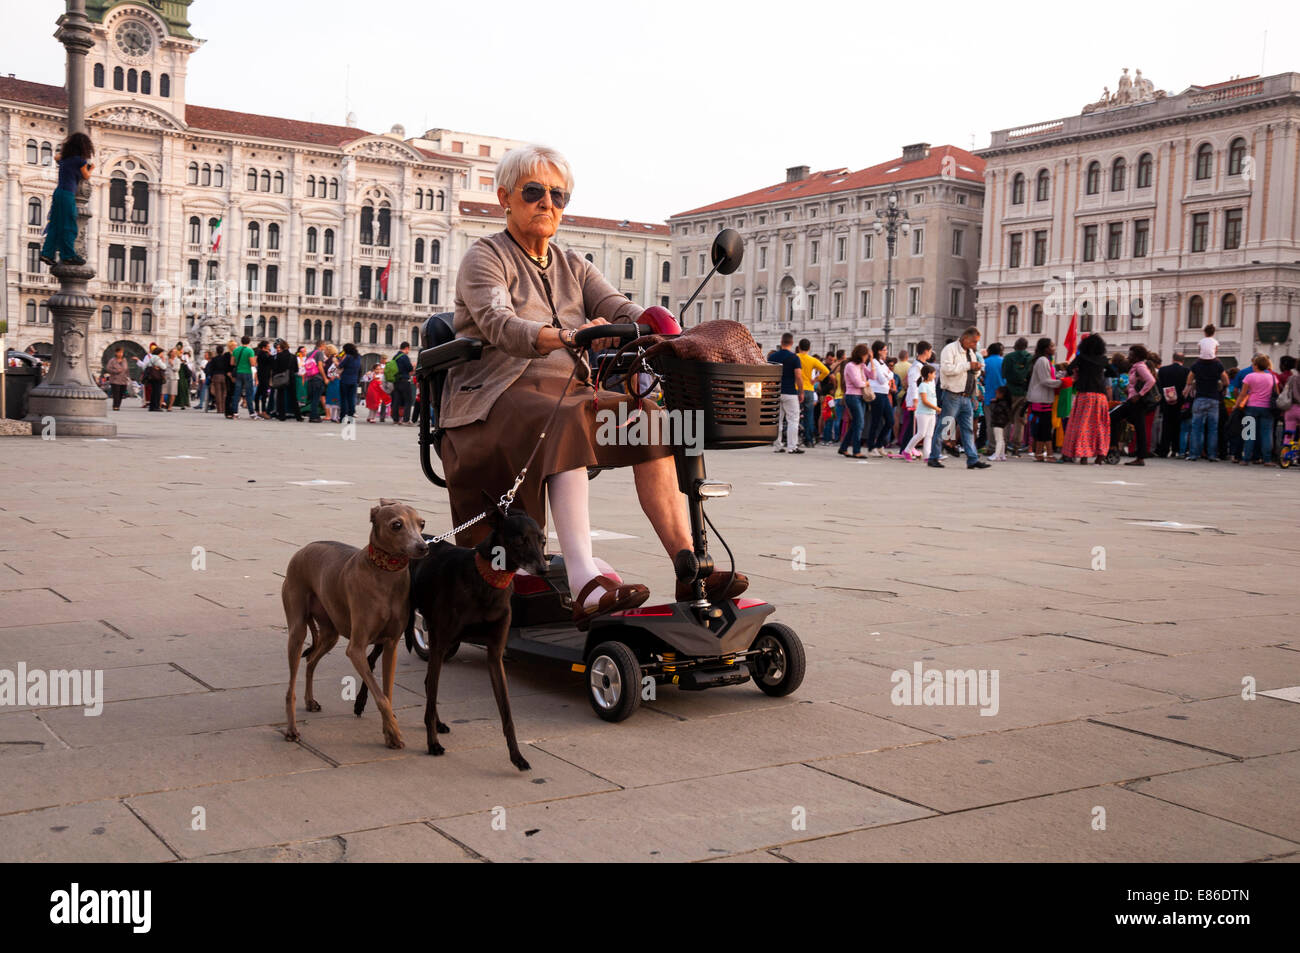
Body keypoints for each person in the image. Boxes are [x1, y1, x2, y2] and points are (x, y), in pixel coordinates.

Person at [439, 144, 745, 624]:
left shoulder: (572, 263)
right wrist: (562, 336)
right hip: (493, 396)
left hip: (568, 392)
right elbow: (499, 323)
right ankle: (584, 579)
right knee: (567, 417)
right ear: (505, 197)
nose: (548, 204)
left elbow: (618, 305)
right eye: (535, 192)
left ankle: (689, 566)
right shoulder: (485, 258)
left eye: (558, 196)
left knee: (651, 420)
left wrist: (661, 327)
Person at [929, 327, 990, 469]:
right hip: (952, 394)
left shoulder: (971, 353)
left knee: (968, 429)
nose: (976, 345)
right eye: (974, 342)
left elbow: (973, 376)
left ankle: (972, 459)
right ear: (965, 339)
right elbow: (947, 369)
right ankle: (934, 457)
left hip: (967, 396)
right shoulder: (949, 350)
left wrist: (976, 370)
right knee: (945, 426)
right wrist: (968, 365)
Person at [39, 132, 93, 268]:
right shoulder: (80, 161)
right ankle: (68, 255)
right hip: (68, 194)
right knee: (69, 225)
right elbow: (86, 176)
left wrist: (64, 155)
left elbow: (56, 156)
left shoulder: (64, 158)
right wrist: (91, 169)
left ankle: (47, 253)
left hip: (58, 193)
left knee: (55, 225)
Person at [1061, 333, 1110, 464]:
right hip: (1100, 396)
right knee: (1100, 425)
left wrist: (1079, 372)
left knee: (1082, 425)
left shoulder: (1081, 357)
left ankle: (1083, 455)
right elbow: (1114, 373)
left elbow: (1070, 369)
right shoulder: (1103, 359)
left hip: (1085, 395)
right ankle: (1100, 454)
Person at [1113, 344, 1156, 466]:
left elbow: (1151, 380)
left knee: (1113, 417)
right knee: (1139, 428)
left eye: (1131, 354)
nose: (1128, 356)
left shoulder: (1140, 367)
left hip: (1136, 402)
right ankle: (1139, 456)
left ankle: (1115, 447)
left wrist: (1140, 394)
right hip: (1133, 400)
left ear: (1137, 357)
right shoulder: (1136, 367)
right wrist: (1129, 389)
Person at [1236, 354, 1280, 465]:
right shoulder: (1272, 377)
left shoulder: (1249, 377)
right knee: (1266, 433)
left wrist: (1237, 405)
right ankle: (1267, 459)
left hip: (1251, 407)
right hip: (1267, 408)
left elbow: (1243, 393)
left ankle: (1246, 458)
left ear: (1256, 365)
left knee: (1249, 433)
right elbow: (1277, 393)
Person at [1187, 348, 1229, 461]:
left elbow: (1189, 381)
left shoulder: (1196, 364)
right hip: (1214, 399)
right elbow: (1226, 381)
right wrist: (1220, 386)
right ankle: (1212, 455)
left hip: (1200, 398)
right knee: (1213, 429)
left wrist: (1196, 384)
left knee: (1196, 428)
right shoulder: (1218, 364)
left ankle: (1194, 454)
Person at [769, 332, 803, 454]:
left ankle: (777, 446)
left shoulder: (772, 357)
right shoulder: (794, 358)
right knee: (793, 419)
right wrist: (801, 391)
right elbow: (798, 376)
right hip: (790, 392)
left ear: (781, 341)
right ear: (792, 343)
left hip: (775, 391)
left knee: (777, 420)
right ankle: (792, 446)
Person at [1154, 351, 1190, 458]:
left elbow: (1159, 385)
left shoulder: (1163, 370)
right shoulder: (1186, 371)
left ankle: (1164, 450)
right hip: (1180, 402)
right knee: (1178, 426)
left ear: (1173, 358)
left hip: (1166, 401)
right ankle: (1176, 449)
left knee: (1166, 425)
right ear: (1183, 361)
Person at [837, 344, 870, 458]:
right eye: (866, 355)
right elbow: (857, 383)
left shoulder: (861, 365)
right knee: (859, 423)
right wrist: (866, 383)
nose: (867, 357)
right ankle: (856, 450)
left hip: (861, 397)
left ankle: (844, 447)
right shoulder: (850, 366)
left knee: (856, 423)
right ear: (860, 355)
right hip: (852, 396)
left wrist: (873, 363)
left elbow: (873, 375)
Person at [903, 364, 941, 460]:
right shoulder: (923, 385)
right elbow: (924, 401)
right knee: (921, 433)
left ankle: (927, 455)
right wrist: (936, 408)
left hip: (931, 413)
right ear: (929, 374)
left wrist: (935, 409)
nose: (935, 376)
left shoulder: (931, 385)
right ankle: (907, 450)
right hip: (923, 413)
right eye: (934, 374)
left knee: (929, 435)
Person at [796, 339, 829, 447]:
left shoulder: (795, 357)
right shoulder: (812, 360)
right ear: (809, 348)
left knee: (794, 415)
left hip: (796, 388)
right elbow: (826, 371)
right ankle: (809, 440)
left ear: (799, 347)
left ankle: (794, 438)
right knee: (809, 416)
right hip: (809, 389)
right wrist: (817, 379)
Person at [1002, 337, 1033, 453]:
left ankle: (1003, 445)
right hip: (1024, 392)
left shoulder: (1008, 357)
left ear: (1015, 346)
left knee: (1006, 419)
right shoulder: (1030, 358)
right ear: (1026, 346)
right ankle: (1016, 447)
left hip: (1009, 391)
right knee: (1020, 420)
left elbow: (1004, 374)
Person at [864, 340, 894, 455]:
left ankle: (880, 444)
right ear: (879, 351)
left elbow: (891, 374)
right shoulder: (874, 362)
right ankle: (871, 447)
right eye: (885, 350)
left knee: (890, 420)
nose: (886, 352)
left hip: (884, 393)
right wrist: (888, 375)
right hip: (877, 393)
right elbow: (881, 379)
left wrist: (887, 375)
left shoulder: (882, 362)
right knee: (876, 421)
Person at [981, 342, 1005, 451]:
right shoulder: (1004, 362)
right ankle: (1002, 448)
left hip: (989, 396)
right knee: (1002, 424)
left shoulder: (985, 362)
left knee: (990, 423)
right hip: (1003, 397)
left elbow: (981, 377)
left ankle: (991, 447)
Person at [272, 339, 302, 421]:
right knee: (293, 397)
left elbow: (275, 368)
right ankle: (298, 416)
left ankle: (281, 415)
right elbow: (296, 369)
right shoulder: (293, 356)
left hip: (281, 378)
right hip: (291, 378)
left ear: (281, 348)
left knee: (280, 397)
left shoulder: (278, 356)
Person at [230, 335, 257, 419]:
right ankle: (251, 413)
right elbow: (253, 364)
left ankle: (235, 413)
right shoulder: (250, 350)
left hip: (238, 372)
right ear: (249, 342)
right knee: (249, 393)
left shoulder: (236, 350)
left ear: (241, 341)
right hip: (247, 372)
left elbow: (232, 363)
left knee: (237, 393)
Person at [338, 342, 361, 422]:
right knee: (351, 399)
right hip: (354, 381)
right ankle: (351, 417)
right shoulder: (358, 357)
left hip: (345, 380)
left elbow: (340, 366)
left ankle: (342, 417)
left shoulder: (348, 357)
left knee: (344, 399)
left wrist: (337, 361)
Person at [988, 385, 1012, 460]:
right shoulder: (1006, 403)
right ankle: (1002, 455)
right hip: (1002, 422)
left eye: (997, 394)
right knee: (1001, 439)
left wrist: (993, 403)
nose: (996, 395)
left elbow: (995, 411)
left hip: (998, 422)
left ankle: (996, 455)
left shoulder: (1000, 404)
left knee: (998, 439)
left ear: (1002, 394)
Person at [254, 339, 274, 418]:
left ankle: (257, 410)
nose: (269, 348)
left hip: (261, 375)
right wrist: (271, 355)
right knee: (264, 394)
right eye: (268, 347)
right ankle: (263, 411)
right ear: (264, 347)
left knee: (259, 393)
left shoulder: (260, 354)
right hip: (264, 376)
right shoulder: (265, 355)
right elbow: (272, 362)